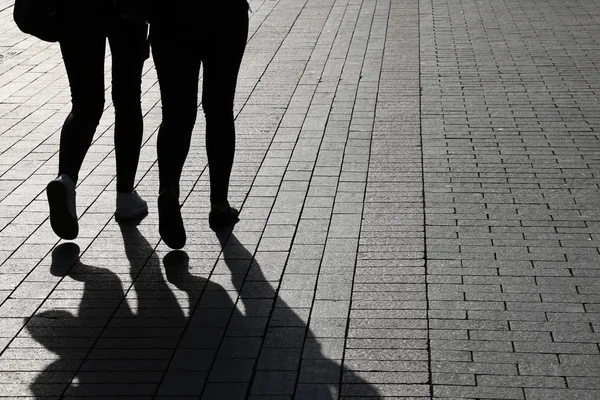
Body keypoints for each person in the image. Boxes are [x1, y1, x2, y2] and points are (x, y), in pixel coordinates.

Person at [148, 1, 249, 249]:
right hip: (225, 16)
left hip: (170, 16)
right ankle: (219, 205)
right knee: (219, 110)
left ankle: (168, 191)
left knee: (176, 115)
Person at [46, 0, 149, 240]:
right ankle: (125, 196)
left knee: (84, 104)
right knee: (127, 99)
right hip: (127, 10)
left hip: (76, 9)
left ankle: (66, 180)